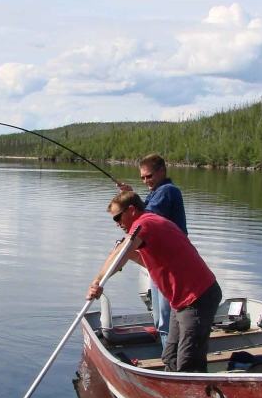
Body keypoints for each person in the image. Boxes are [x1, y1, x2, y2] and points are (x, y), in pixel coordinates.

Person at [87, 191, 221, 373]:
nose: (117, 224)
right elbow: (143, 259)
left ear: (132, 210)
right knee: (170, 357)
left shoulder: (145, 224)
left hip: (198, 297)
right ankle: (172, 393)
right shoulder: (149, 225)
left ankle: (193, 397)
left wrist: (98, 282)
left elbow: (120, 254)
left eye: (118, 218)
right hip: (181, 300)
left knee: (189, 362)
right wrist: (130, 255)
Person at [117, 154, 186, 346]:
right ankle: (170, 358)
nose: (146, 180)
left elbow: (146, 218)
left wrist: (130, 201)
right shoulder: (156, 192)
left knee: (165, 321)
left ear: (162, 171)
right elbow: (145, 212)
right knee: (160, 320)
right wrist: (132, 197)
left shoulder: (167, 191)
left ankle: (172, 365)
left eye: (149, 176)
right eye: (143, 178)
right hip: (159, 263)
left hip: (170, 264)